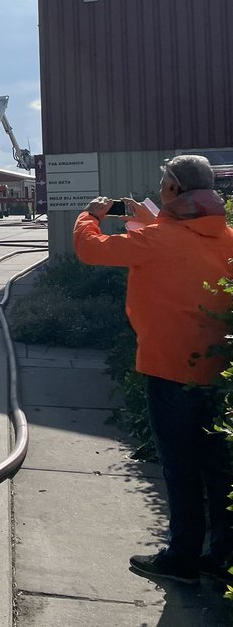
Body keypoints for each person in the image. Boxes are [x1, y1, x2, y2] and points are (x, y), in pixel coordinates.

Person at [74, 154, 233, 585]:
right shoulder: (226, 237)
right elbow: (176, 241)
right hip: (219, 374)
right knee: (218, 469)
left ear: (175, 191)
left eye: (164, 181)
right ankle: (222, 558)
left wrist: (90, 215)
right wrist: (148, 215)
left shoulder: (158, 240)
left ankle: (180, 558)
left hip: (169, 370)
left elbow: (90, 249)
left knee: (180, 468)